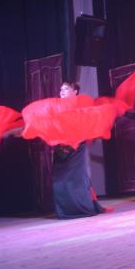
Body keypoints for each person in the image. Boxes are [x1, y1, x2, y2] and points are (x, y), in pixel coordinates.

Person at [51, 82, 107, 218]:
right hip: (61, 146)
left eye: (66, 89)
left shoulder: (81, 104)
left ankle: (82, 208)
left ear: (75, 91)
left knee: (75, 179)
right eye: (61, 89)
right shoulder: (56, 107)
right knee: (59, 180)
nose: (62, 91)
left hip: (76, 146)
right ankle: (66, 210)